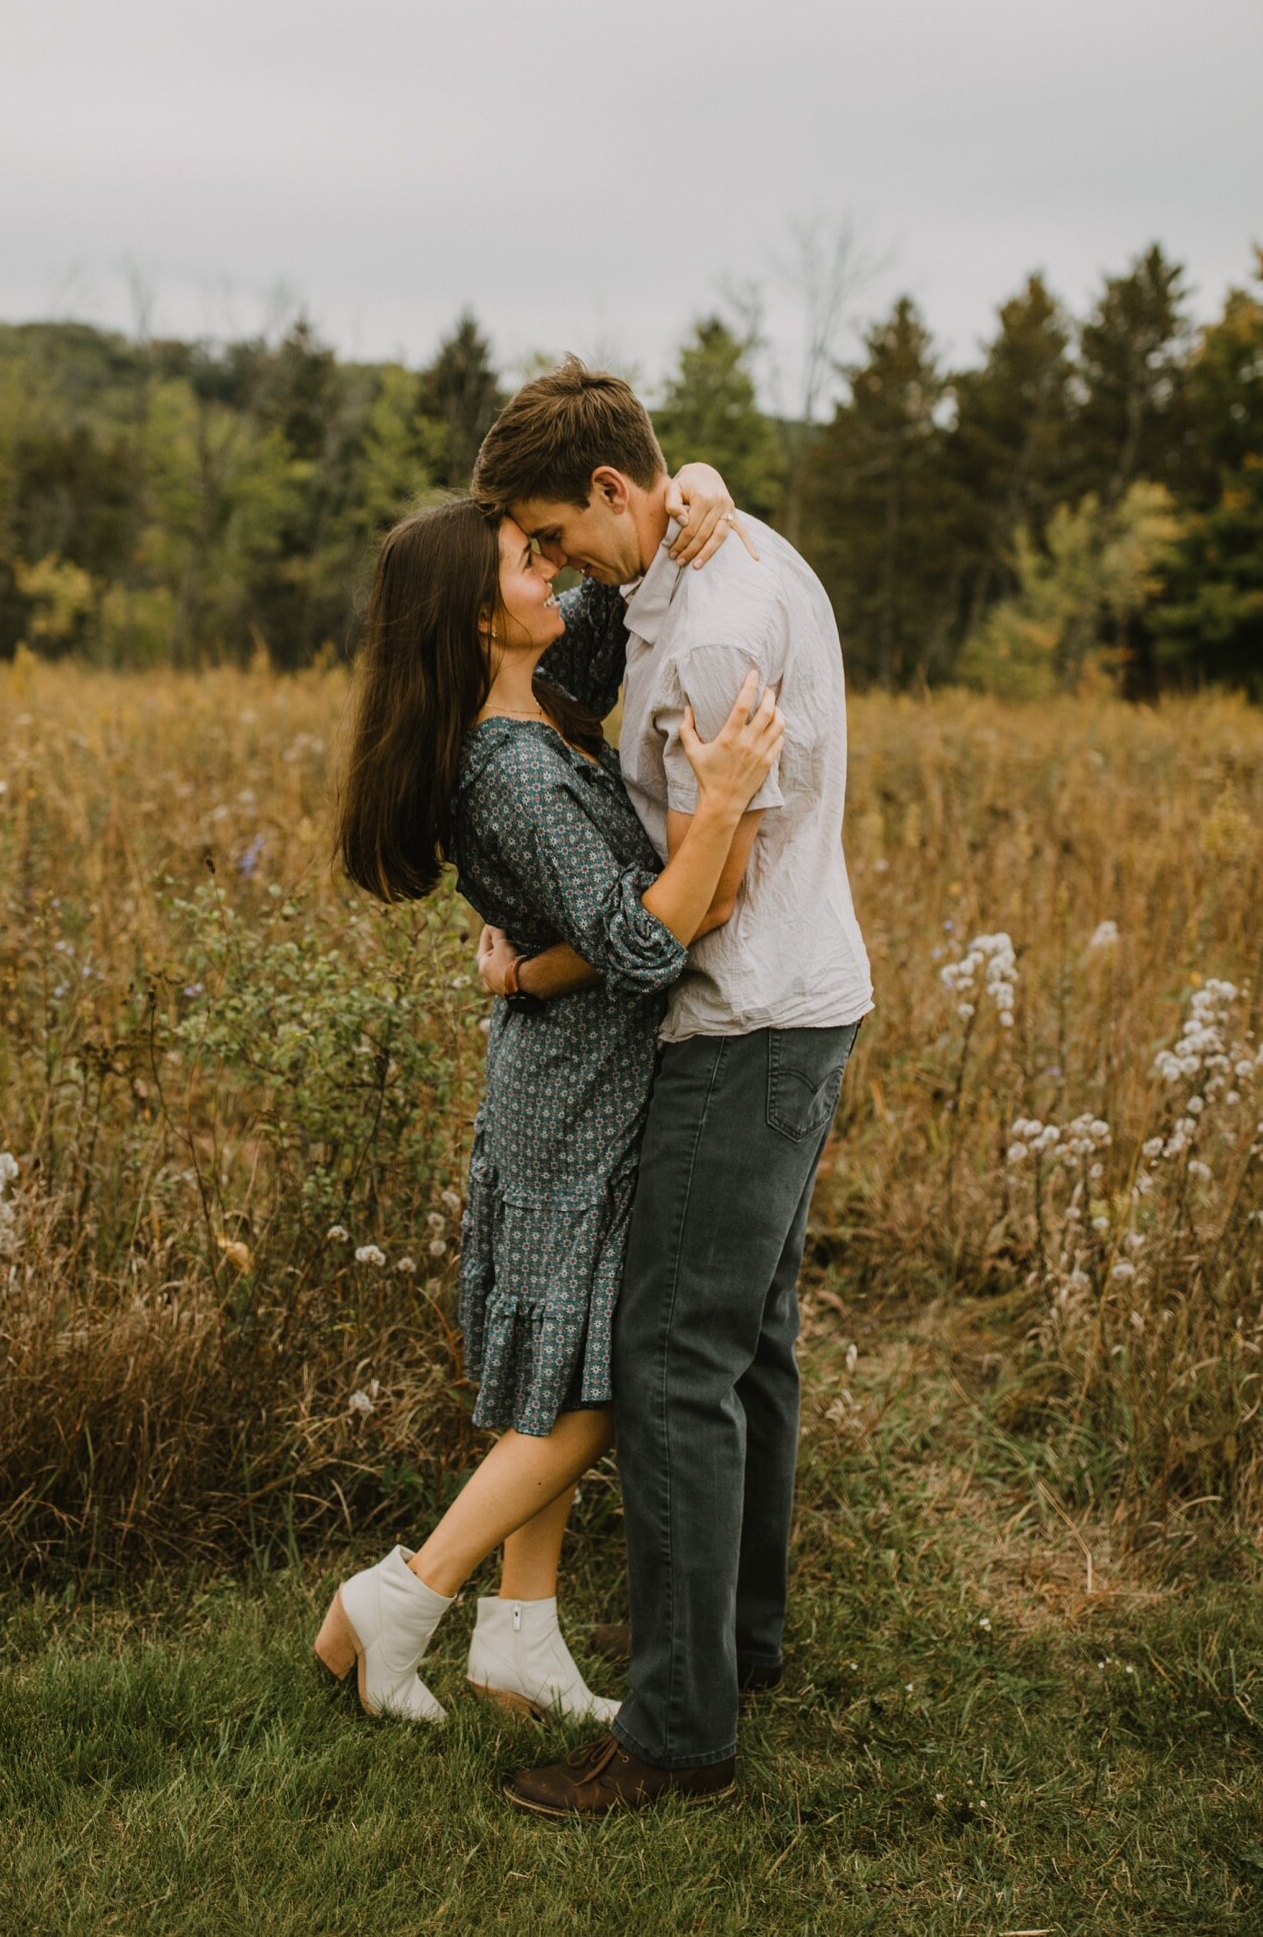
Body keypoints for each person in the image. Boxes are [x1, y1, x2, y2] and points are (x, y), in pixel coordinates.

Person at [469, 357, 873, 1817]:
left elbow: (709, 894)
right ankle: (739, 1645)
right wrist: (702, 480)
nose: (553, 564)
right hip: (807, 998)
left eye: (554, 531)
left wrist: (543, 965)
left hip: (744, 1020)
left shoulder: (710, 630)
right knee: (749, 1338)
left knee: (671, 1360)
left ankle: (676, 1734)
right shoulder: (719, 544)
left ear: (611, 491)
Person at [317, 467, 783, 1727]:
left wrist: (692, 484)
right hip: (574, 1089)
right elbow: (645, 947)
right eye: (527, 561)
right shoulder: (512, 769)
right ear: (479, 615)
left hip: (568, 1063)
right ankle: (404, 1596)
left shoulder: (543, 682)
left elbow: (625, 574)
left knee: (568, 1366)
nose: (552, 573)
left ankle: (518, 1640)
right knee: (598, 1391)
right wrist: (726, 798)